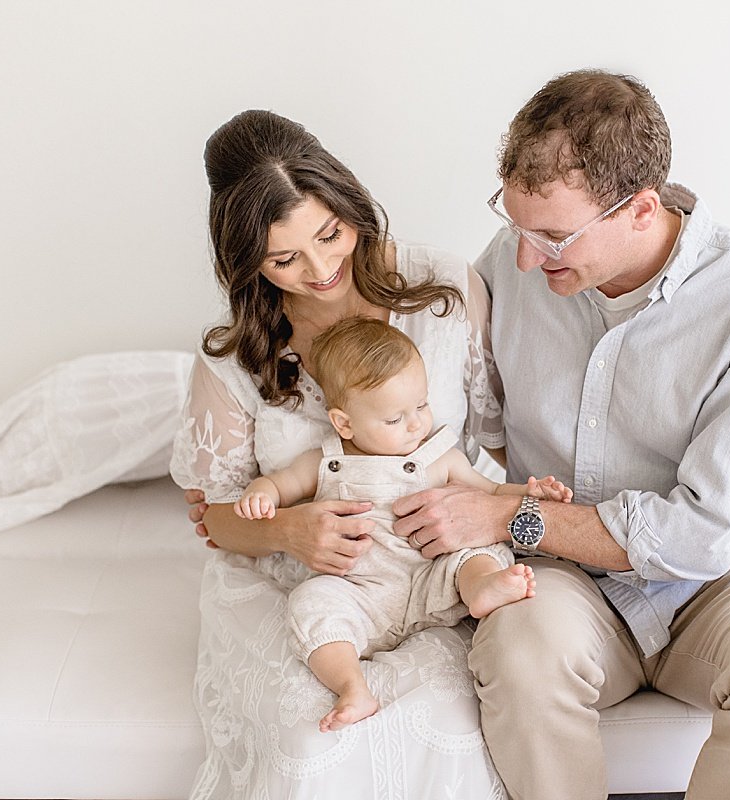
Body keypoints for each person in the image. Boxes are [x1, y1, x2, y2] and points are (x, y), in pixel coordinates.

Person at [389, 69, 730, 800]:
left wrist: (514, 512)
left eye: (553, 236)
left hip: (715, 581)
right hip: (563, 579)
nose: (526, 257)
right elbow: (456, 420)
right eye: (514, 225)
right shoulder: (509, 264)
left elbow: (704, 535)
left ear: (641, 208)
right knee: (520, 653)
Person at [170, 110, 509, 798]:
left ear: (351, 203)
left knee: (449, 721)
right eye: (284, 258)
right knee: (313, 735)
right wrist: (286, 531)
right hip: (303, 589)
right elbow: (214, 518)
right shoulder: (238, 358)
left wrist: (502, 519)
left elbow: (504, 452)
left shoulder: (442, 292)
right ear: (246, 263)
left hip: (431, 569)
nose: (322, 268)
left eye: (330, 234)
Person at [232, 316, 570, 732]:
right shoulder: (327, 461)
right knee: (310, 604)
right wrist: (262, 494)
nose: (415, 424)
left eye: (421, 406)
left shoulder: (439, 455)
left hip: (432, 576)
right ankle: (352, 687)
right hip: (360, 591)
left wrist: (528, 493)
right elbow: (283, 485)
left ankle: (481, 588)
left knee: (478, 549)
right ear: (344, 423)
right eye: (394, 420)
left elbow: (488, 492)